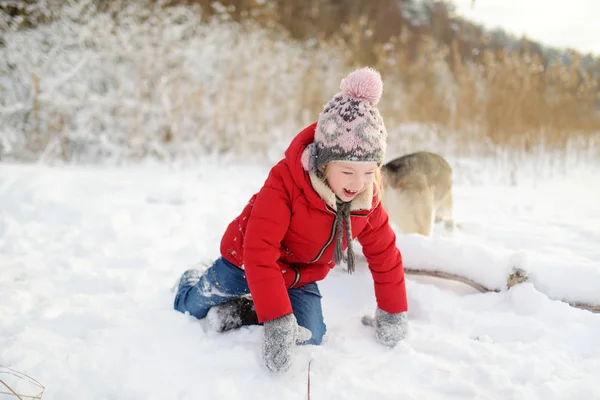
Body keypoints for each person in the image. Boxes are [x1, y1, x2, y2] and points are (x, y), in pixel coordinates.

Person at [173, 67, 408, 372]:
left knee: (312, 336)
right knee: (190, 308)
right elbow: (259, 251)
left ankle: (247, 309)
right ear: (322, 164)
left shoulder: (366, 198)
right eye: (348, 172)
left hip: (299, 275)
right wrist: (277, 322)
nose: (358, 183)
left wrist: (392, 313)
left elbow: (385, 255)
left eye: (368, 172)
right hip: (245, 261)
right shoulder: (285, 183)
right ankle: (194, 279)